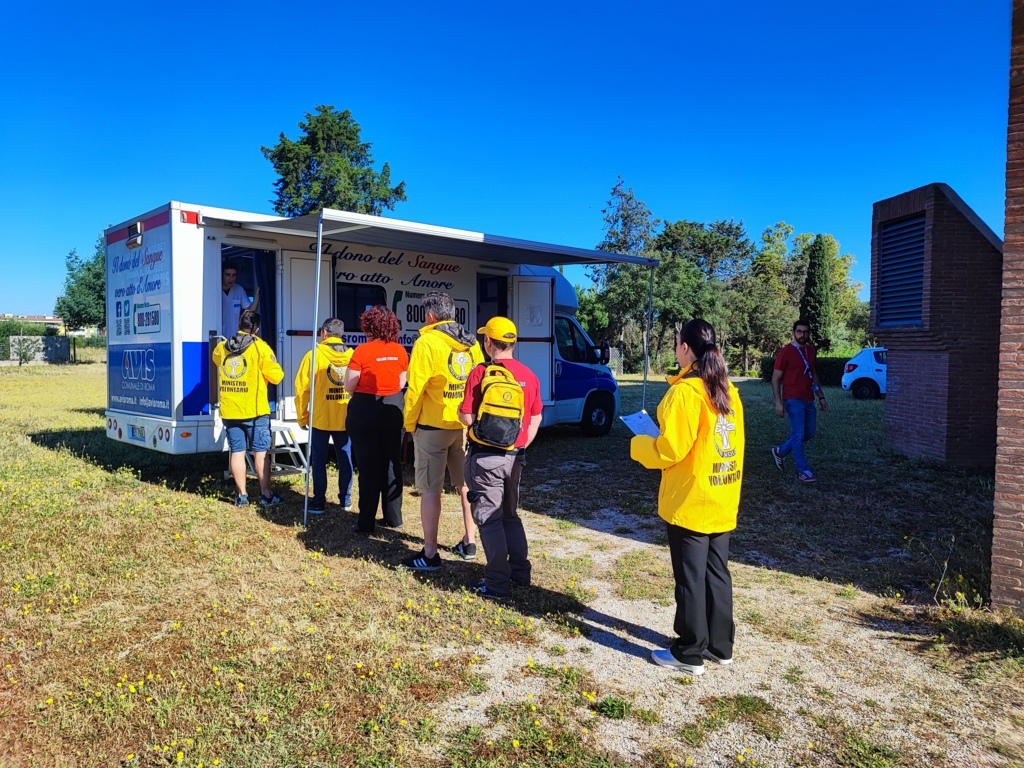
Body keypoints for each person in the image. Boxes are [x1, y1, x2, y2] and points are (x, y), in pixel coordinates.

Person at [630, 319, 745, 676]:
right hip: (722, 493)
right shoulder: (727, 390)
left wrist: (638, 444)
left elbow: (669, 450)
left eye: (677, 343)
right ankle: (720, 646)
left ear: (684, 348)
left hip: (691, 499)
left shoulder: (685, 392)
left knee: (690, 577)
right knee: (716, 572)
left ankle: (689, 651)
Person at [458, 317, 543, 599]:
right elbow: (535, 418)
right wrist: (518, 446)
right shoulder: (530, 376)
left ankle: (496, 584)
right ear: (513, 342)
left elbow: (468, 416)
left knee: (489, 520)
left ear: (488, 342)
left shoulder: (480, 373)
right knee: (509, 516)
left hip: (485, 459)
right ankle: (520, 574)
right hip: (515, 457)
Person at [400, 292, 484, 571]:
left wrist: (409, 425)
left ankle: (431, 554)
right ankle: (469, 543)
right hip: (464, 426)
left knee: (430, 489)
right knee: (465, 486)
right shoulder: (472, 344)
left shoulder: (427, 342)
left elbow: (415, 390)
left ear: (431, 316)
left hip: (432, 427)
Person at [344, 306, 408, 534]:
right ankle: (394, 517)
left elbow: (350, 384)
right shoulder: (400, 351)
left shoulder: (362, 351)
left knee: (369, 467)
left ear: (368, 326)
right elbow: (401, 382)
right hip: (393, 408)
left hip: (365, 410)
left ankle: (366, 523)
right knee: (392, 464)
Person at [212, 310, 284, 508]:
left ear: (238, 325)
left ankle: (242, 496)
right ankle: (266, 495)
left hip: (230, 409)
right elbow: (276, 377)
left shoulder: (222, 347)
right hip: (255, 411)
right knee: (260, 453)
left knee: (237, 451)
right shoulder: (261, 348)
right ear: (257, 329)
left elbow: (216, 360)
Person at [294, 318, 354, 515]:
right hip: (345, 417)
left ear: (325, 334)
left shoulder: (314, 355)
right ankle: (345, 499)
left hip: (320, 419)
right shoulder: (352, 356)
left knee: (318, 460)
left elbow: (302, 388)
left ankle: (318, 502)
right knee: (345, 459)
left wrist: (303, 416)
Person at [771, 318, 827, 483]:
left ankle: (780, 451)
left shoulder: (811, 351)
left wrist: (821, 397)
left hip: (808, 398)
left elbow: (813, 374)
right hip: (792, 399)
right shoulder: (785, 352)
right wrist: (778, 402)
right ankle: (803, 470)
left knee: (809, 433)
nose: (802, 334)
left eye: (805, 331)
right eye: (799, 331)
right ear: (794, 333)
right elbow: (775, 378)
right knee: (798, 433)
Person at [221, 261, 258, 337]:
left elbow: (249, 310)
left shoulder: (238, 289)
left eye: (234, 275)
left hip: (234, 335)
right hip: (218, 334)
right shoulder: (215, 290)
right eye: (227, 275)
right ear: (221, 275)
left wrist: (257, 296)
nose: (231, 278)